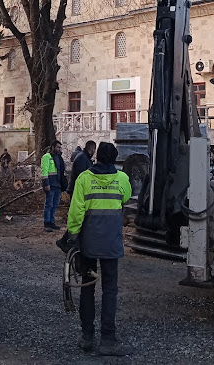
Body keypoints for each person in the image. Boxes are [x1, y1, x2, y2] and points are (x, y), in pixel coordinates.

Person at [66, 141, 132, 356]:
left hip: (89, 244)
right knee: (110, 290)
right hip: (111, 244)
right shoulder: (122, 179)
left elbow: (76, 212)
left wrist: (73, 236)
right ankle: (108, 340)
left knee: (87, 287)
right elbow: (126, 196)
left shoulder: (84, 178)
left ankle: (87, 337)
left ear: (96, 157)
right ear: (114, 158)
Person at [41, 139, 67, 232]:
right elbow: (44, 171)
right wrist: (46, 183)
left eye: (60, 147)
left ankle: (52, 222)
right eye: (58, 147)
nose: (59, 149)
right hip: (51, 184)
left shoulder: (59, 157)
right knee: (49, 204)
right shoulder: (47, 157)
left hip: (58, 185)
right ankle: (47, 223)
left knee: (55, 205)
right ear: (53, 147)